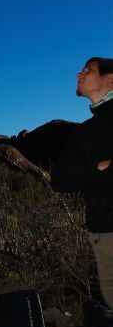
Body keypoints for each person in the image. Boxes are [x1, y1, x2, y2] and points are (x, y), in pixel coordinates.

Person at [51, 57, 113, 308]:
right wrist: (99, 167)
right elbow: (60, 180)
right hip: (101, 233)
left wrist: (89, 176)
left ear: (110, 79)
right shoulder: (82, 132)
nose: (79, 74)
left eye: (88, 70)